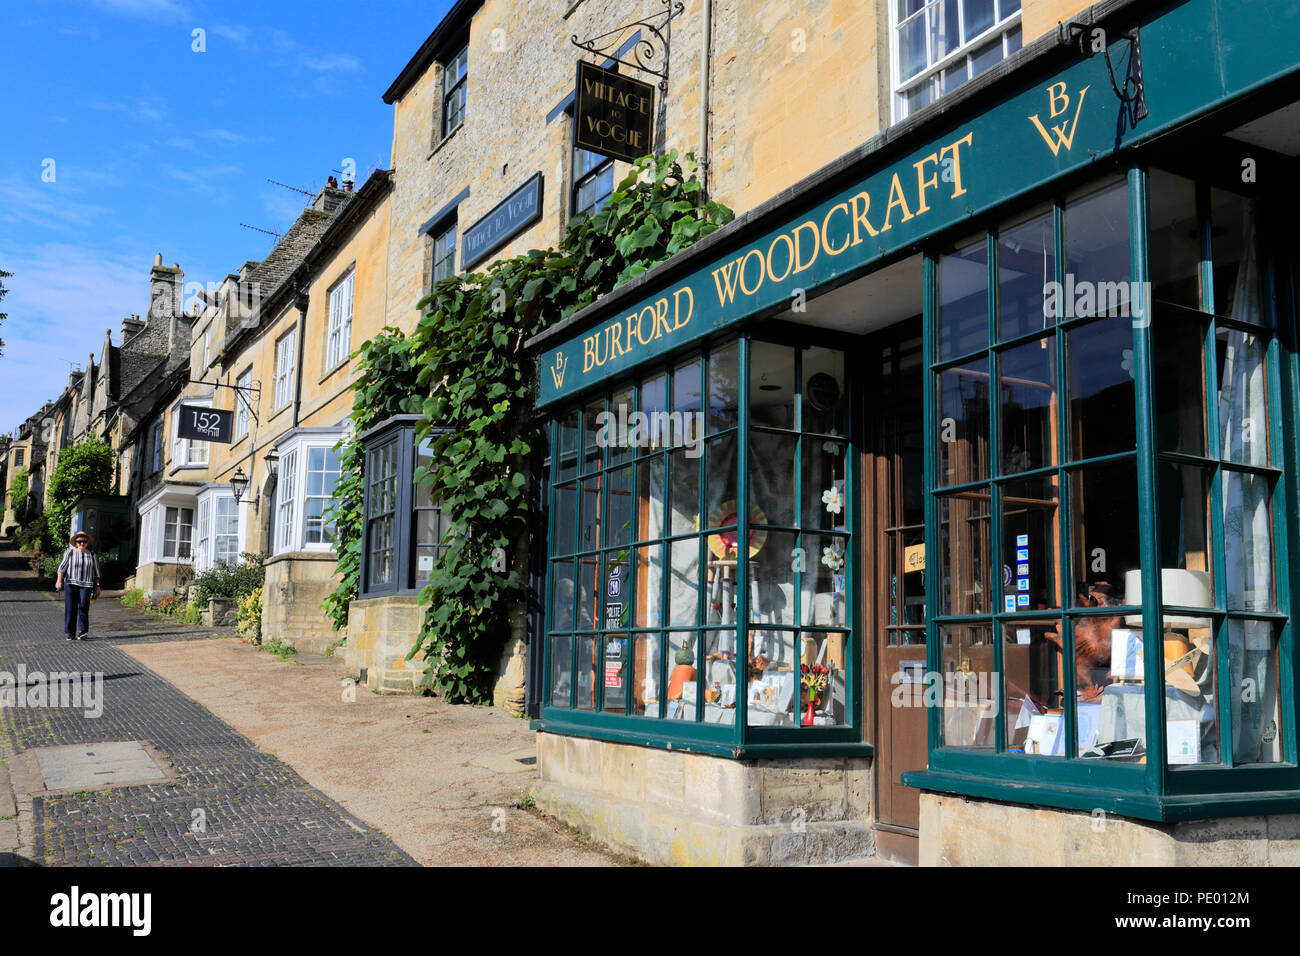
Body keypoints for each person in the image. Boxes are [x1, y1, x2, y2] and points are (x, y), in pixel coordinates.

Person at [55, 530, 101, 641]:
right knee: (70, 608)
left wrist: (98, 586)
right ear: (75, 543)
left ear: (87, 543)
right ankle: (70, 632)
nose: (82, 543)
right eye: (79, 541)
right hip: (71, 583)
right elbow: (62, 568)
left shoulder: (92, 554)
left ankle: (83, 631)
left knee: (83, 607)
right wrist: (59, 581)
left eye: (84, 541)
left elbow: (96, 572)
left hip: (86, 585)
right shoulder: (69, 553)